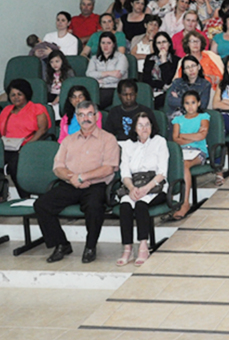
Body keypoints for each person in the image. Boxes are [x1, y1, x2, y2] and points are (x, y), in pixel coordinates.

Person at [35, 99, 119, 264]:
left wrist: (83, 177)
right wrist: (72, 177)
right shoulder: (68, 140)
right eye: (81, 115)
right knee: (42, 204)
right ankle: (61, 244)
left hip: (96, 184)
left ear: (96, 116)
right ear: (77, 118)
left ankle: (90, 247)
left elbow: (109, 168)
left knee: (94, 206)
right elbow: (57, 167)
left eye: (89, 114)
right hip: (71, 183)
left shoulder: (108, 139)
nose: (85, 118)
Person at [116, 109, 168, 266]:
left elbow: (162, 173)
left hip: (155, 185)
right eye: (140, 125)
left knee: (140, 205)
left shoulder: (160, 142)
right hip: (134, 185)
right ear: (134, 128)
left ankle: (143, 246)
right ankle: (127, 248)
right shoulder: (127, 145)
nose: (144, 129)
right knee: (125, 206)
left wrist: (146, 188)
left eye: (147, 125)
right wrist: (131, 188)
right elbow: (124, 172)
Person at [0, 78, 50, 197]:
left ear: (26, 94)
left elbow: (42, 129)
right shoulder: (7, 110)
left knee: (15, 167)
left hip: (28, 147)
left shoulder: (37, 108)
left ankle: (25, 197)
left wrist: (27, 147)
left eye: (19, 94)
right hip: (7, 146)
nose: (16, 97)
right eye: (12, 95)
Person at [169, 90, 212, 220]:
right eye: (187, 103)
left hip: (198, 152)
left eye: (193, 103)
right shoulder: (177, 119)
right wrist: (193, 137)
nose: (190, 106)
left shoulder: (203, 117)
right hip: (181, 151)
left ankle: (185, 203)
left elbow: (202, 135)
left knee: (185, 165)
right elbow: (175, 138)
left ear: (198, 103)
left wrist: (183, 136)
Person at [86, 32, 129, 109]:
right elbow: (89, 74)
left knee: (93, 105)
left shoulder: (121, 57)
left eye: (108, 43)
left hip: (113, 89)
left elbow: (117, 77)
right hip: (96, 88)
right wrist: (109, 73)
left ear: (113, 44)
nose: (105, 46)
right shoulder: (94, 58)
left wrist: (99, 80)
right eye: (103, 43)